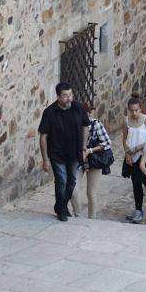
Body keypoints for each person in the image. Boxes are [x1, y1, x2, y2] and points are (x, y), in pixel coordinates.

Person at [38, 82, 91, 221]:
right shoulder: (50, 112)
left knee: (72, 181)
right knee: (61, 180)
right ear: (58, 97)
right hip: (57, 154)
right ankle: (61, 210)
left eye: (70, 95)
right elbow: (43, 137)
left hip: (74, 153)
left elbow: (86, 126)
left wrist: (84, 148)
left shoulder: (78, 107)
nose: (69, 98)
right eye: (65, 96)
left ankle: (60, 205)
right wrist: (45, 159)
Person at [70, 102, 112, 219]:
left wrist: (90, 150)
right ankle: (77, 215)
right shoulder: (72, 125)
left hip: (94, 160)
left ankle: (92, 219)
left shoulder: (96, 125)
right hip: (78, 161)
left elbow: (108, 143)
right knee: (73, 191)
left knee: (91, 192)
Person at [122, 93, 146, 224]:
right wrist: (127, 153)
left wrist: (137, 148)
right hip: (132, 158)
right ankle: (138, 209)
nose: (134, 113)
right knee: (136, 184)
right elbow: (124, 138)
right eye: (132, 110)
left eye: (136, 110)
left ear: (140, 108)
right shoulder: (126, 121)